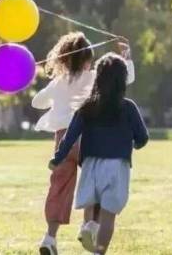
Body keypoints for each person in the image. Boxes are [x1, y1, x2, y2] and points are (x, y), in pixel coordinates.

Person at [33, 32, 134, 255]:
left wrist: (57, 94)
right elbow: (125, 78)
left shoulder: (58, 82)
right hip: (88, 138)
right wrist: (126, 56)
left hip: (62, 140)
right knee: (96, 182)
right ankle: (90, 225)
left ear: (64, 59)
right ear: (87, 60)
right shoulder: (93, 78)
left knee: (59, 186)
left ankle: (50, 237)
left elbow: (36, 102)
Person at [49, 53, 149, 255]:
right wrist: (135, 144)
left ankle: (88, 226)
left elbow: (70, 136)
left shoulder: (87, 107)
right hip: (117, 165)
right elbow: (143, 137)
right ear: (122, 80)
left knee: (91, 203)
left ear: (98, 78)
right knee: (108, 215)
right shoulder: (128, 107)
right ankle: (99, 251)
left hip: (91, 164)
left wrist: (58, 158)